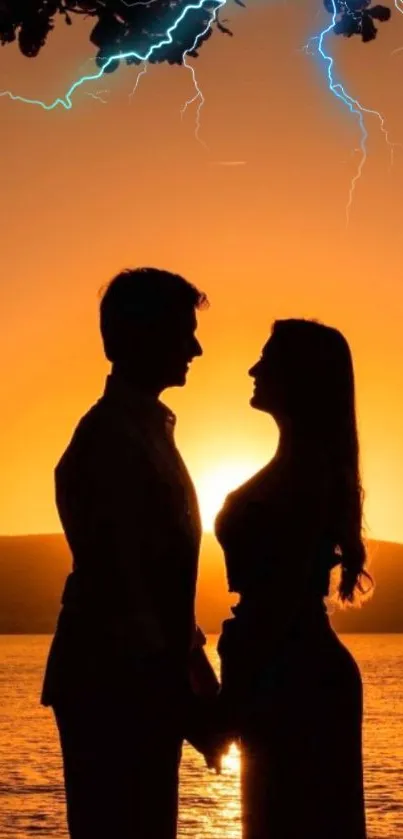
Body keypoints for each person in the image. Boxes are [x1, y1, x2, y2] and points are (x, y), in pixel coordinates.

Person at [41, 267, 219, 839]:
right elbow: (125, 589)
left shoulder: (146, 432)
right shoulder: (111, 439)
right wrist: (189, 702)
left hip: (134, 683)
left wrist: (196, 673)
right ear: (141, 334)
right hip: (112, 688)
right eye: (183, 331)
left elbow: (160, 589)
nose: (196, 346)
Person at [215, 319, 371, 839]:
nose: (254, 369)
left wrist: (229, 698)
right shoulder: (301, 468)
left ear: (300, 376)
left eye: (268, 360)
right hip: (286, 671)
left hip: (295, 678)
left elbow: (278, 604)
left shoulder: (304, 477)